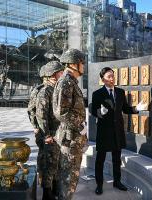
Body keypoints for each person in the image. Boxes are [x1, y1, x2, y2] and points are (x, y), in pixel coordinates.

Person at [91, 67, 147, 195]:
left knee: (117, 158)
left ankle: (117, 181)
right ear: (103, 79)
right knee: (100, 160)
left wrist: (136, 109)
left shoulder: (121, 92)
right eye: (109, 76)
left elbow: (125, 109)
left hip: (117, 131)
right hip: (104, 132)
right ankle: (99, 185)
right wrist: (100, 112)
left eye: (113, 76)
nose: (112, 78)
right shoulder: (97, 94)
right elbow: (94, 111)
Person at [53, 48, 87, 200]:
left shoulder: (71, 82)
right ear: (73, 64)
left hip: (74, 138)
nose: (83, 66)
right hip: (70, 138)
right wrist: (81, 125)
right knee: (68, 181)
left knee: (70, 180)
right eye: (82, 63)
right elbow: (61, 112)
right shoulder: (66, 82)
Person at [36, 61, 64, 200]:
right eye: (60, 72)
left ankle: (56, 190)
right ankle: (47, 194)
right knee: (49, 164)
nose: (62, 74)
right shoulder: (45, 91)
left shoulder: (57, 88)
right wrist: (46, 135)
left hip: (59, 133)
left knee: (57, 163)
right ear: (54, 74)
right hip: (50, 134)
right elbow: (41, 115)